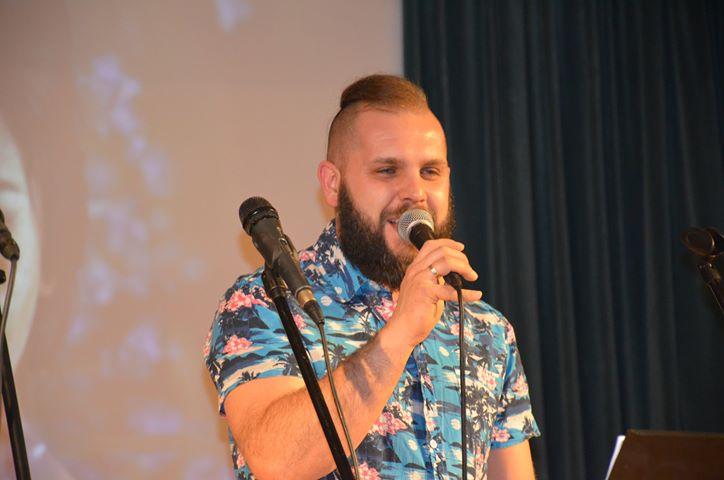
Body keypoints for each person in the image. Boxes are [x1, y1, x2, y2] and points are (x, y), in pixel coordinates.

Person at [205, 74, 540, 479]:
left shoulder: (486, 329)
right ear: (333, 184)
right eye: (387, 170)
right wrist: (399, 335)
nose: (415, 192)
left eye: (430, 171)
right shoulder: (265, 303)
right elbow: (278, 463)